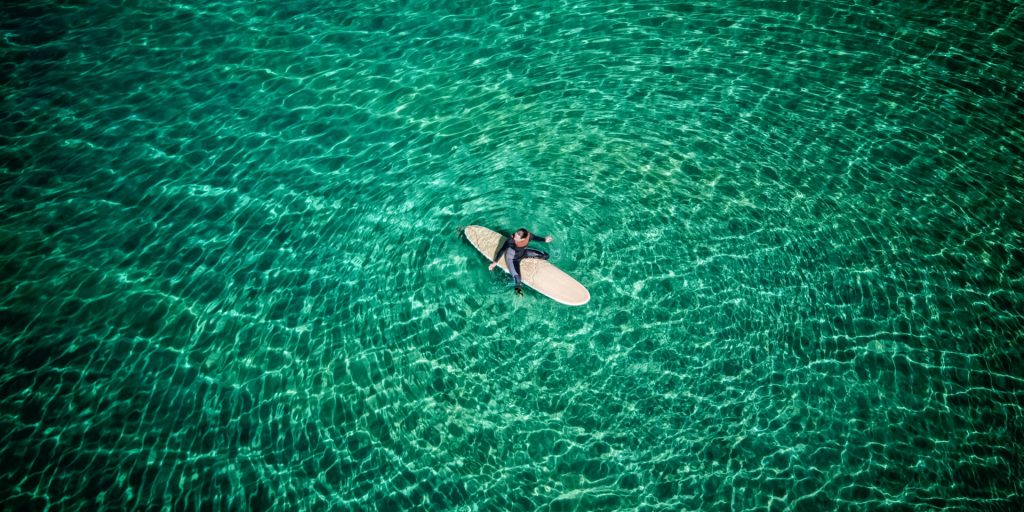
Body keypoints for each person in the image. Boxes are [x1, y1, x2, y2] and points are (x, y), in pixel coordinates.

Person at [488, 228, 552, 295]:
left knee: (546, 256)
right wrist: (495, 262)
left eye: (516, 236)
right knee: (518, 280)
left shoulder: (528, 236)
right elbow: (502, 250)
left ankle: (536, 268)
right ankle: (517, 291)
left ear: (522, 239)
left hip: (523, 252)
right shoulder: (510, 240)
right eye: (515, 233)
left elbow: (535, 237)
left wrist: (544, 239)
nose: (513, 236)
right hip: (512, 259)